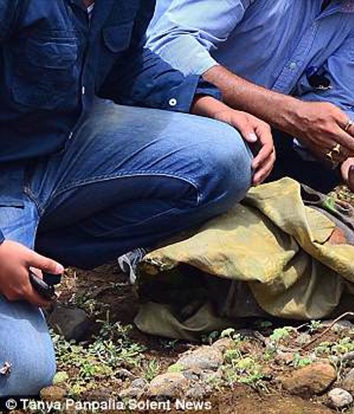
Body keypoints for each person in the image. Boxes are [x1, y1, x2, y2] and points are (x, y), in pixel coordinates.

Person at [0, 0, 278, 396]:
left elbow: (127, 63)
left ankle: (35, 247)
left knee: (226, 159)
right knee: (20, 369)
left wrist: (209, 104)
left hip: (68, 146)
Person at [146, 0, 354, 196]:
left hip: (271, 126)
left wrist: (345, 150)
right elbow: (167, 47)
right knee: (220, 145)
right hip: (178, 106)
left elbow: (344, 93)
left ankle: (267, 192)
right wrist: (289, 112)